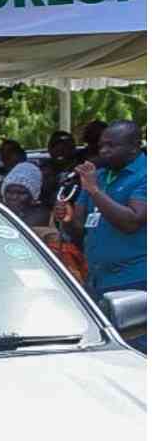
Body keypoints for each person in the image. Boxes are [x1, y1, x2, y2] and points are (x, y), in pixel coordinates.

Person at [58, 121, 146, 322]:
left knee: (135, 347)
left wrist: (94, 191)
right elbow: (79, 228)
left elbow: (132, 222)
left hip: (134, 280)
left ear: (134, 146)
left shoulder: (144, 175)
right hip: (97, 279)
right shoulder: (99, 176)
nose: (104, 151)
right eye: (101, 146)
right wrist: (67, 216)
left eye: (111, 146)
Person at [3, 162, 88, 284]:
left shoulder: (43, 214)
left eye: (22, 193)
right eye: (10, 192)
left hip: (46, 274)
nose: (14, 197)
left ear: (33, 195)